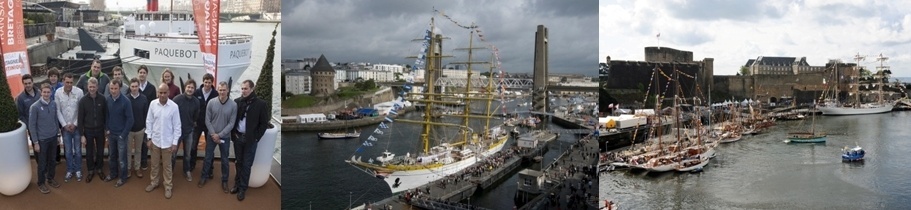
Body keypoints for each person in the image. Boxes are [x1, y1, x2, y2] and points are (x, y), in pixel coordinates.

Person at [230, 80, 270, 201]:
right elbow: (233, 120)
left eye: (246, 89)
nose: (243, 91)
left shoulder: (261, 104)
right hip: (238, 137)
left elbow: (264, 123)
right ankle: (237, 184)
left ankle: (242, 189)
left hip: (251, 140)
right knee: (238, 162)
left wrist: (256, 137)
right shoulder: (237, 102)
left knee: (247, 165)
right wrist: (234, 135)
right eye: (242, 89)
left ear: (252, 89)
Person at [145, 84, 181, 199]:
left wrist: (175, 142)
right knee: (154, 164)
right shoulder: (152, 104)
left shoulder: (174, 107)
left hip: (167, 143)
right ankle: (154, 183)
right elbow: (149, 121)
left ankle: (168, 186)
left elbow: (177, 126)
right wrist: (149, 138)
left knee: (167, 166)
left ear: (168, 93)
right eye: (160, 92)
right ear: (157, 93)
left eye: (165, 93)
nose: (162, 95)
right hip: (155, 141)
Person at [200, 81, 235, 193]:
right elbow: (207, 120)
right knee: (208, 157)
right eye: (220, 90)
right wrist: (213, 134)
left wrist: (219, 135)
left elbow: (231, 123)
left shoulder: (233, 105)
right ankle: (204, 176)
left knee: (225, 160)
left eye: (224, 90)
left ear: (228, 90)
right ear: (217, 90)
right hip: (212, 135)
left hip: (225, 137)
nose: (222, 92)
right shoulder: (211, 102)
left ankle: (224, 180)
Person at [29, 83, 61, 194]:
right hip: (42, 141)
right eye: (44, 92)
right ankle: (41, 183)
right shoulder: (34, 107)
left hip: (53, 138)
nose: (46, 94)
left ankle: (50, 178)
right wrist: (35, 142)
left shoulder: (53, 104)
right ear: (41, 93)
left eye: (48, 92)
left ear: (51, 93)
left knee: (52, 160)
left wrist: (57, 135)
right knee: (42, 163)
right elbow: (32, 126)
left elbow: (55, 121)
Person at [103, 80, 133, 187]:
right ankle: (113, 174)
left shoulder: (126, 101)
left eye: (115, 88)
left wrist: (123, 135)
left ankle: (123, 177)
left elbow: (130, 120)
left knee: (122, 159)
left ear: (119, 88)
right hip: (111, 134)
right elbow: (106, 116)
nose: (113, 91)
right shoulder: (108, 100)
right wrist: (107, 129)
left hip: (121, 135)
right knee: (111, 156)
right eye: (111, 89)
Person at [78, 77, 108, 183]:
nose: (92, 88)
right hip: (88, 131)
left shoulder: (103, 99)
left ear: (97, 87)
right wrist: (81, 135)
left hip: (100, 130)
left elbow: (106, 115)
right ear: (87, 87)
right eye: (90, 86)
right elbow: (80, 119)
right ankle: (90, 170)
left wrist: (106, 129)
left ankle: (99, 169)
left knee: (100, 151)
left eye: (94, 87)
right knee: (89, 152)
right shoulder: (83, 101)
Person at [56, 73, 84, 183]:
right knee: (67, 151)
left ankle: (78, 170)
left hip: (76, 127)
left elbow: (81, 110)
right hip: (65, 128)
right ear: (63, 81)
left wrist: (75, 124)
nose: (69, 84)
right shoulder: (58, 93)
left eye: (71, 82)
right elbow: (58, 110)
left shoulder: (79, 92)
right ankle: (69, 170)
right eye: (67, 82)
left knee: (77, 150)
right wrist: (64, 125)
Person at [171, 79, 198, 182]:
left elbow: (195, 116)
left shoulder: (196, 102)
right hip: (176, 132)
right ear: (185, 88)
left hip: (188, 132)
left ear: (194, 89)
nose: (190, 89)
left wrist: (191, 125)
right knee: (173, 154)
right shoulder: (177, 99)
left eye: (192, 88)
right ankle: (171, 170)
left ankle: (186, 170)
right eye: (188, 87)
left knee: (187, 154)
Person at [192, 73, 217, 175]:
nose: (207, 84)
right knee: (193, 146)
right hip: (197, 124)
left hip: (209, 125)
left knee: (209, 147)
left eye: (209, 82)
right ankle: (192, 164)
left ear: (212, 83)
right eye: (206, 82)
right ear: (203, 82)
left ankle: (209, 167)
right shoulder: (196, 92)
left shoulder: (215, 94)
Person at [127, 78, 149, 179]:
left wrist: (145, 127)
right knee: (128, 150)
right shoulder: (126, 99)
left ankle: (137, 167)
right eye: (132, 86)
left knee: (138, 150)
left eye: (136, 86)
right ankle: (128, 168)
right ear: (130, 87)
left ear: (138, 87)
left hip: (140, 130)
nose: (134, 88)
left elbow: (146, 114)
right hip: (129, 130)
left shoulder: (144, 99)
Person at [17, 74, 41, 166]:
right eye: (25, 83)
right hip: (32, 128)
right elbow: (21, 115)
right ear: (23, 84)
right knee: (37, 147)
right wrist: (29, 126)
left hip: (43, 126)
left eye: (29, 83)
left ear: (32, 82)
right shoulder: (20, 98)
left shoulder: (39, 93)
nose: (28, 85)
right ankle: (40, 166)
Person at [136, 65, 156, 172]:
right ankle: (136, 162)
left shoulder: (151, 88)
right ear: (138, 74)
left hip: (148, 119)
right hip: (137, 118)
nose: (142, 74)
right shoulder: (134, 86)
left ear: (146, 74)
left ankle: (144, 160)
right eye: (140, 72)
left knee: (145, 140)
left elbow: (153, 104)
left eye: (144, 72)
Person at [47, 68, 64, 165]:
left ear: (58, 77)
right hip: (52, 117)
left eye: (55, 76)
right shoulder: (47, 88)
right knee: (54, 137)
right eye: (51, 76)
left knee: (64, 135)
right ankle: (56, 157)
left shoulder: (62, 86)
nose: (53, 78)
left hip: (62, 115)